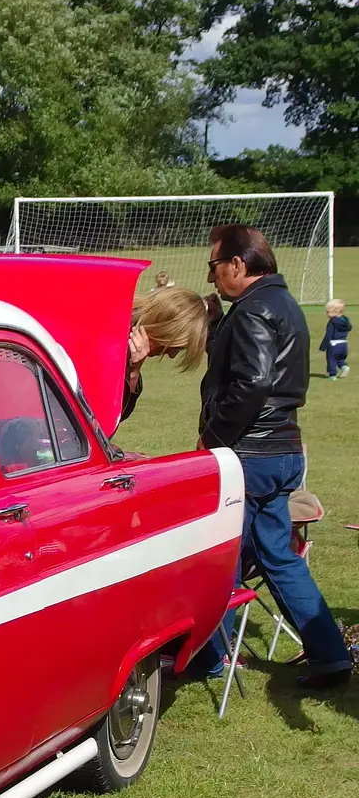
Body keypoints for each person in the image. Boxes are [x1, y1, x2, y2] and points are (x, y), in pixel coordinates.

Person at [197, 225, 351, 690]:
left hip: (251, 454)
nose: (212, 277)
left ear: (238, 265)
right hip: (282, 450)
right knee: (276, 556)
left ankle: (207, 657)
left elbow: (252, 383)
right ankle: (331, 656)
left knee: (220, 554)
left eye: (214, 266)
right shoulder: (283, 304)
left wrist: (213, 435)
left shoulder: (253, 310)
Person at [122, 284, 209, 422]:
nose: (171, 355)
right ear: (164, 330)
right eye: (174, 347)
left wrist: (133, 371)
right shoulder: (116, 340)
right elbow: (107, 418)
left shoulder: (129, 341)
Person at [320, 298, 349, 379]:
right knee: (340, 359)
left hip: (334, 344)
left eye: (328, 311)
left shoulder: (332, 322)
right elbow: (349, 328)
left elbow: (328, 335)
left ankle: (332, 375)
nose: (326, 313)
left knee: (331, 359)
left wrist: (323, 346)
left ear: (335, 312)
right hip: (344, 344)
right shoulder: (345, 321)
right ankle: (344, 367)